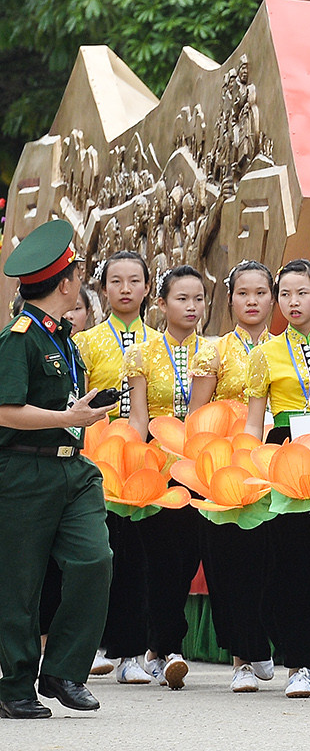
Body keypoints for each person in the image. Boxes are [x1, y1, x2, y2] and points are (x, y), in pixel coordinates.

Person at [0, 219, 112, 720]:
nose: (81, 280)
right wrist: (68, 417)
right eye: (78, 274)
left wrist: (80, 411)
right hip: (24, 472)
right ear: (64, 282)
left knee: (95, 561)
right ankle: (16, 683)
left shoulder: (63, 336)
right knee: (19, 585)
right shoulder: (18, 338)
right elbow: (4, 409)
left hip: (74, 470)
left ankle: (64, 670)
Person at [242, 260, 310, 699]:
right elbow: (252, 421)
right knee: (284, 560)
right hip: (284, 449)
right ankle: (295, 663)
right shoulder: (264, 353)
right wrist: (250, 466)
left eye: (302, 293)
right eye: (284, 294)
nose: (292, 303)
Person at [188, 260, 275, 690]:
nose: (253, 301)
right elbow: (197, 417)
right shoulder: (212, 351)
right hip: (226, 469)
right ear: (230, 298)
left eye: (261, 292)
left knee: (271, 559)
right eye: (244, 293)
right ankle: (241, 655)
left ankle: (262, 641)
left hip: (276, 467)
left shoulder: (287, 349)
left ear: (273, 297)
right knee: (230, 560)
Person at [125, 265, 212, 690]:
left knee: (188, 555)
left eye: (198, 298)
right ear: (160, 304)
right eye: (181, 298)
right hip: (155, 466)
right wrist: (136, 463)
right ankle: (168, 647)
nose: (192, 306)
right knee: (158, 556)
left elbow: (200, 413)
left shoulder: (211, 353)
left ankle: (159, 648)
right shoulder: (140, 353)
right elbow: (139, 416)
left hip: (195, 464)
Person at [72, 250, 155, 686]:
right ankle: (90, 647)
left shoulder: (160, 343)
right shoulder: (83, 344)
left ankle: (130, 653)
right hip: (92, 458)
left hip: (142, 459)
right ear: (103, 289)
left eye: (134, 281)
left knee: (137, 555)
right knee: (95, 556)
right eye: (116, 281)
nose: (125, 289)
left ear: (147, 287)